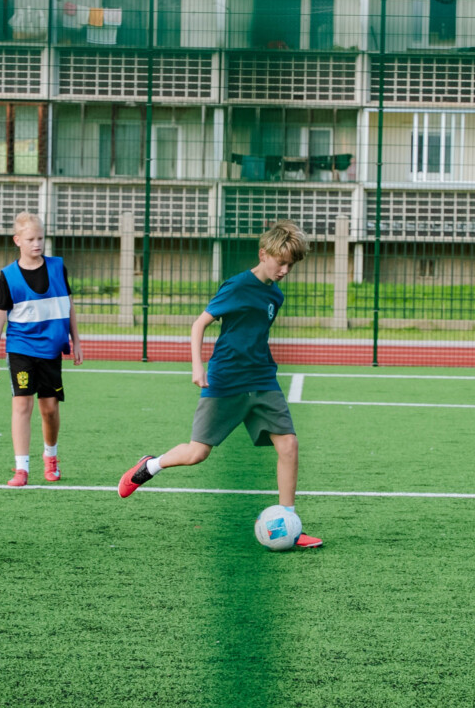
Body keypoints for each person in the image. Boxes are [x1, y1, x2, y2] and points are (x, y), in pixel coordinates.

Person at [116, 220, 322, 549]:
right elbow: (199, 324)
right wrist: (198, 366)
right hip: (226, 379)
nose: (285, 270)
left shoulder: (275, 294)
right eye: (281, 262)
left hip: (262, 378)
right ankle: (150, 465)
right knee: (197, 453)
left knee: (289, 446)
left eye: (291, 265)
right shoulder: (237, 286)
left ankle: (290, 524)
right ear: (263, 254)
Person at [0, 212, 83, 487]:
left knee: (49, 409)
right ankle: (21, 468)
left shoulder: (58, 267)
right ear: (17, 240)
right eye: (30, 239)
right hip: (21, 348)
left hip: (51, 350)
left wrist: (76, 341)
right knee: (22, 404)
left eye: (40, 238)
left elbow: (68, 306)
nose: (37, 243)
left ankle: (50, 457)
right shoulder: (8, 276)